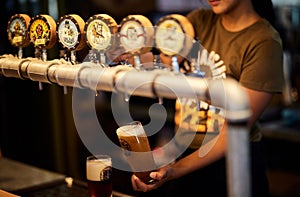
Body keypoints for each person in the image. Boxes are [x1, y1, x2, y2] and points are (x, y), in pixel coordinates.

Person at [130, 0, 283, 196]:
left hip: (232, 162)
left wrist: (175, 169)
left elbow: (232, 134)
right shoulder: (198, 21)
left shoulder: (264, 42)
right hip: (184, 155)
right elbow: (164, 63)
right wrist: (125, 52)